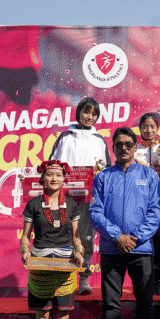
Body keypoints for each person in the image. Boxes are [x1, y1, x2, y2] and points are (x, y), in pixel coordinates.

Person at [89, 127, 160, 319]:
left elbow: (155, 212)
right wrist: (117, 236)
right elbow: (95, 212)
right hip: (111, 250)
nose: (123, 148)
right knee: (111, 304)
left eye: (128, 144)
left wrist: (135, 238)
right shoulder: (102, 177)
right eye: (119, 144)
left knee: (145, 303)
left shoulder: (149, 175)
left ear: (135, 147)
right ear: (113, 148)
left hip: (141, 250)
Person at [20, 160, 84, 319]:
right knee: (43, 316)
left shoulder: (72, 205)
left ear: (64, 178)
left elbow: (76, 237)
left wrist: (78, 252)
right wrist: (25, 251)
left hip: (65, 265)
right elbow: (25, 237)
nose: (54, 178)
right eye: (49, 175)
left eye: (58, 175)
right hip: (40, 264)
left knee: (63, 316)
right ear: (42, 179)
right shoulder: (33, 204)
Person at [49, 96, 112, 295]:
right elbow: (51, 165)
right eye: (86, 112)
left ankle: (84, 278)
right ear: (78, 113)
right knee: (63, 237)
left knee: (85, 237)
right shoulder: (65, 137)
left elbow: (107, 171)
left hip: (88, 200)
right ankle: (63, 279)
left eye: (94, 114)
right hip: (64, 199)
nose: (89, 117)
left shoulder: (99, 140)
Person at [135, 112, 160, 295]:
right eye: (145, 126)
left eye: (152, 126)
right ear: (140, 129)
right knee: (140, 240)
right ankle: (141, 279)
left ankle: (156, 280)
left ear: (158, 128)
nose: (148, 130)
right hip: (139, 202)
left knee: (158, 241)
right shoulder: (134, 149)